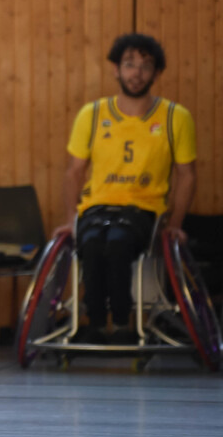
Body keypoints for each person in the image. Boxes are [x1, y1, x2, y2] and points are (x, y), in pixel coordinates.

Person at [54, 33, 197, 345]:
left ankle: (121, 324)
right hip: (97, 207)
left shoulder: (175, 117)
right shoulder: (92, 114)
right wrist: (70, 219)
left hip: (145, 210)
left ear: (157, 73)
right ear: (116, 69)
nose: (137, 73)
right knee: (91, 243)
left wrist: (175, 224)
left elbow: (187, 175)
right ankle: (93, 323)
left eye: (146, 66)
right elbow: (74, 172)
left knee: (118, 243)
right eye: (130, 64)